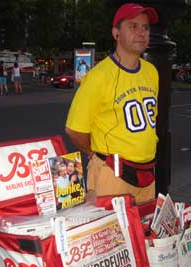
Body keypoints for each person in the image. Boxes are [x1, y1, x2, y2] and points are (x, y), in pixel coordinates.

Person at [65, 3, 159, 203]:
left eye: (145, 27)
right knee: (112, 234)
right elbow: (74, 129)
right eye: (133, 26)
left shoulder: (152, 72)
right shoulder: (98, 76)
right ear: (116, 33)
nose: (141, 32)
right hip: (113, 174)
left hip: (147, 174)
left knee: (145, 231)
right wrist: (94, 153)